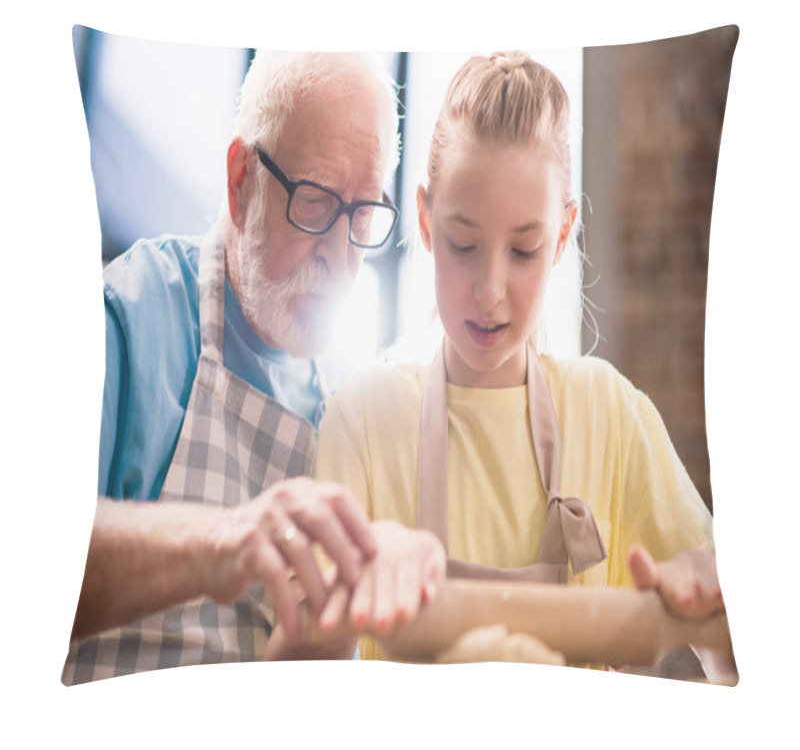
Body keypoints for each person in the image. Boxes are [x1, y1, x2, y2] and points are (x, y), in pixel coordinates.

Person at [313, 51, 735, 680]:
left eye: (524, 249)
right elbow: (300, 682)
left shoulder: (611, 415)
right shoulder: (365, 418)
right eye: (463, 244)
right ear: (425, 222)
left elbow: (742, 664)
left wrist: (715, 601)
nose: (490, 289)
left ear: (563, 236)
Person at [62, 51, 445, 685]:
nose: (340, 257)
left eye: (364, 214)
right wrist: (224, 542)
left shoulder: (346, 412)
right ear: (242, 181)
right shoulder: (134, 316)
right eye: (317, 203)